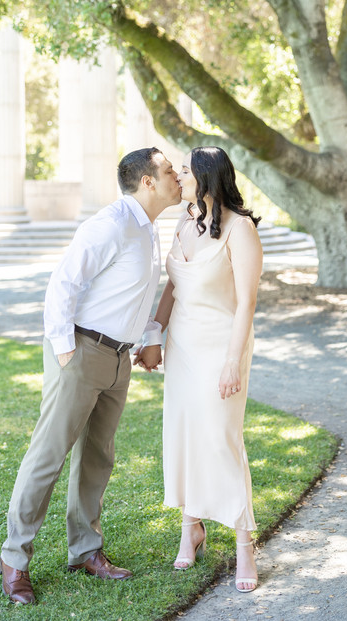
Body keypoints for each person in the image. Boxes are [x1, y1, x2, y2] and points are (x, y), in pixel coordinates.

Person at [0, 147, 181, 604]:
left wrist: (148, 338)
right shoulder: (111, 223)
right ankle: (14, 559)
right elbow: (64, 282)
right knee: (49, 455)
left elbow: (135, 295)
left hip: (118, 359)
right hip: (80, 351)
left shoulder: (148, 227)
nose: (178, 176)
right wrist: (65, 350)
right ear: (147, 181)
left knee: (98, 456)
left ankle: (85, 551)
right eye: (169, 171)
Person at [135, 146, 262, 593]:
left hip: (222, 345)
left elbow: (246, 303)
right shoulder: (185, 221)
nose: (178, 177)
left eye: (185, 171)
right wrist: (154, 335)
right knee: (185, 435)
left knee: (222, 440)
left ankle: (245, 545)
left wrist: (232, 361)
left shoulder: (240, 229)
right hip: (182, 346)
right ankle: (190, 527)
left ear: (207, 177)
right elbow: (174, 285)